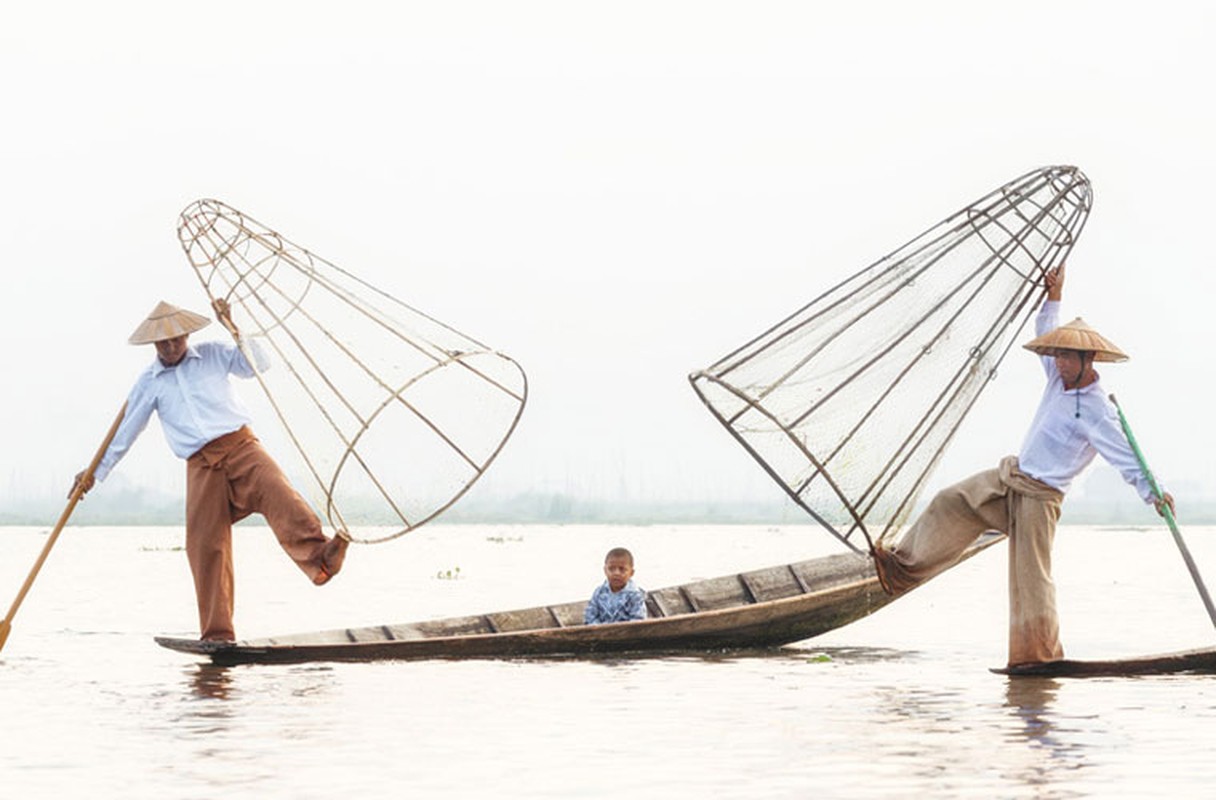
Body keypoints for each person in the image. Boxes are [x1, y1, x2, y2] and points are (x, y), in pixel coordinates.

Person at [871, 265, 1174, 668]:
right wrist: (1055, 293)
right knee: (951, 501)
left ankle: (1038, 656)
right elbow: (1045, 326)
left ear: (1087, 361)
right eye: (1059, 354)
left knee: (1030, 579)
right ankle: (903, 567)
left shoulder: (1098, 411)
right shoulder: (1056, 380)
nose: (1059, 361)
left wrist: (1154, 493)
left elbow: (1127, 458)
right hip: (1010, 480)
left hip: (1040, 498)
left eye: (1067, 356)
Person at [72, 299, 350, 642]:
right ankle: (218, 633)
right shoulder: (148, 382)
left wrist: (234, 326)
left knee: (280, 494)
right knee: (205, 545)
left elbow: (259, 364)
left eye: (178, 339)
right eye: (164, 342)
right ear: (154, 345)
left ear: (188, 335)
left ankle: (322, 557)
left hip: (241, 446)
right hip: (201, 465)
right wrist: (93, 474)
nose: (172, 346)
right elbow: (125, 432)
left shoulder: (214, 354)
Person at [584, 547, 647, 625]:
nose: (616, 573)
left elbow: (638, 619)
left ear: (631, 573)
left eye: (622, 569)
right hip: (600, 633)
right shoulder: (599, 592)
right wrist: (600, 629)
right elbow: (590, 616)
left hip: (628, 633)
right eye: (611, 569)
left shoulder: (635, 595)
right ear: (605, 570)